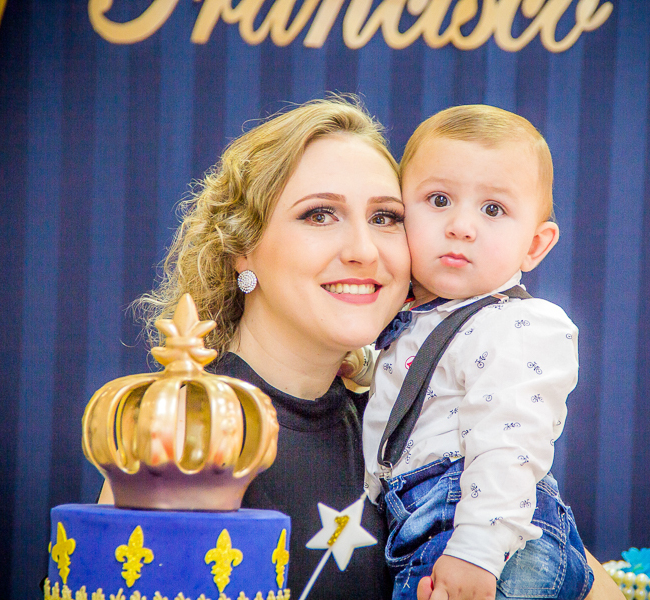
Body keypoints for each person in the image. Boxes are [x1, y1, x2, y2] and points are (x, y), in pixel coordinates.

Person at [121, 97, 411, 599]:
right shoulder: (186, 429)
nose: (364, 250)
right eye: (320, 215)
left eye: (385, 217)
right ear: (242, 247)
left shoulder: (410, 424)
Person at [361, 105, 594, 600]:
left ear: (535, 245)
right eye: (439, 199)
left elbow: (510, 442)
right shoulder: (417, 317)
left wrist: (477, 550)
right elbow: (413, 383)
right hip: (422, 523)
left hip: (479, 532)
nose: (461, 226)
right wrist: (359, 365)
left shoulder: (518, 324)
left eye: (493, 210)